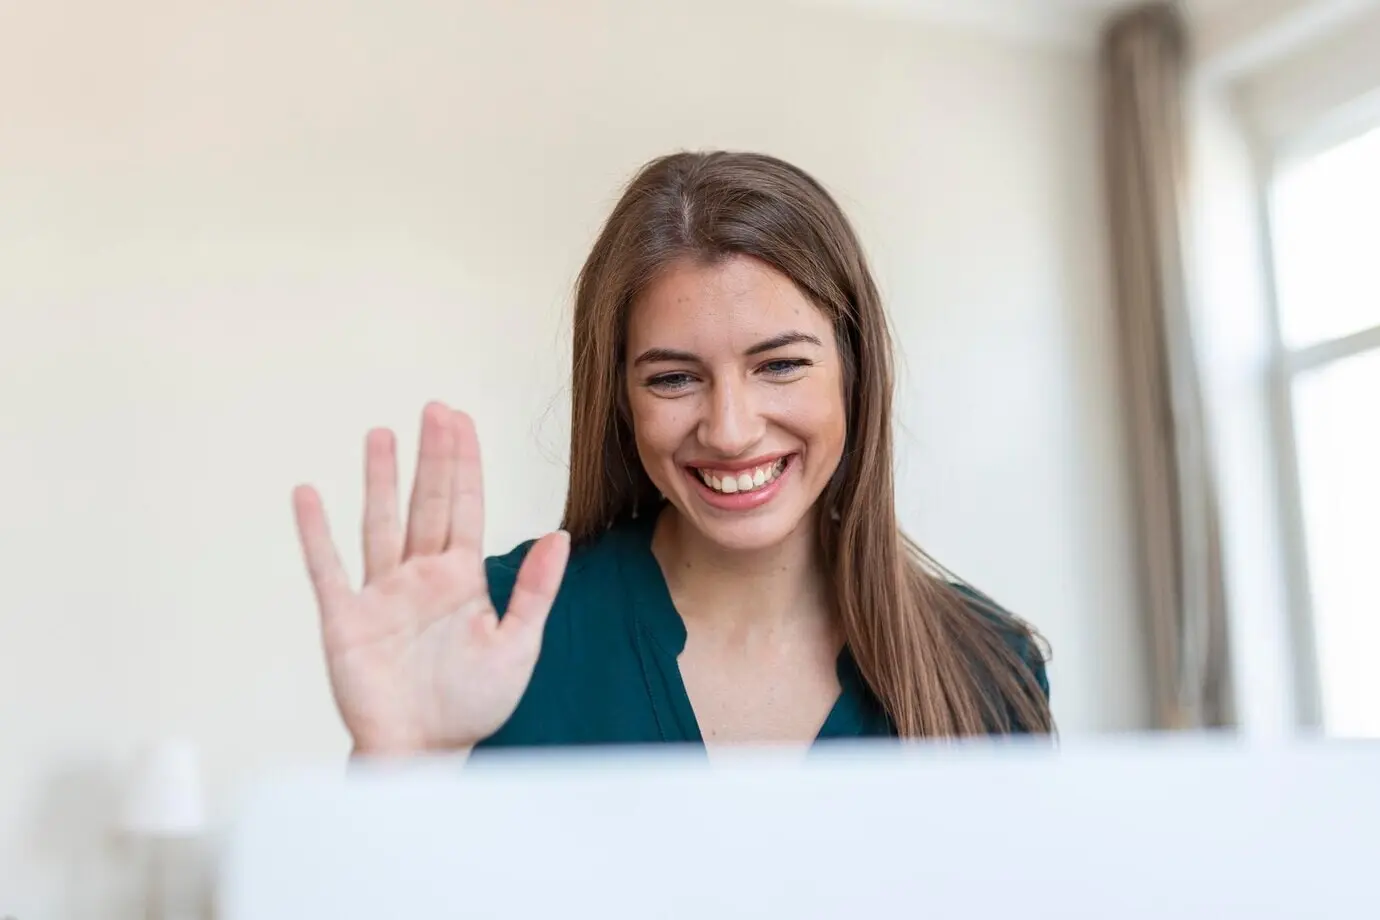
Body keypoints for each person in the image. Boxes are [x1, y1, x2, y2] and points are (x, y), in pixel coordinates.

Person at [291, 151, 1054, 758]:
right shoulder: (488, 636)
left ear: (855, 373)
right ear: (620, 399)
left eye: (780, 365)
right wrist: (399, 765)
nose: (729, 429)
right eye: (674, 378)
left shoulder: (991, 669)